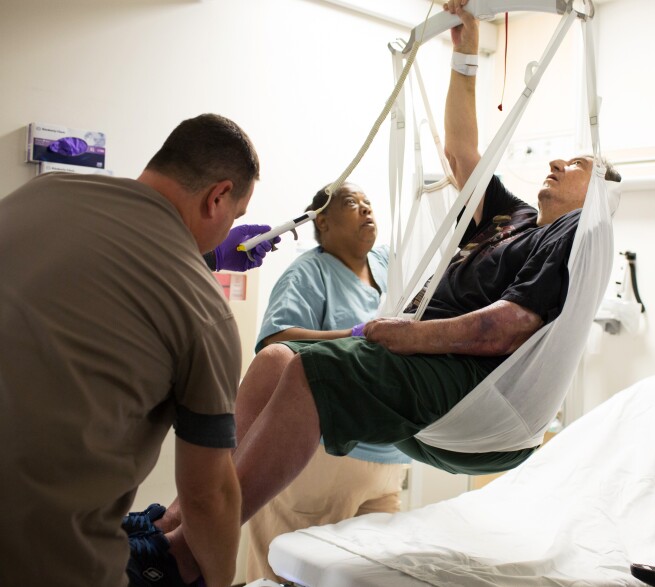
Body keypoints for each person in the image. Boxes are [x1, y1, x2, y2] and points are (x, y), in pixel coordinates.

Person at [129, 2, 620, 583]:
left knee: (317, 374)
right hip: (423, 382)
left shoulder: (576, 234)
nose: (559, 162)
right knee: (275, 361)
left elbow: (509, 325)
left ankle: (180, 562)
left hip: (476, 389)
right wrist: (465, 53)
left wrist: (412, 335)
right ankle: (172, 526)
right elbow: (464, 157)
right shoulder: (510, 220)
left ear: (603, 197)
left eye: (579, 163)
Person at [0, 113, 267, 587]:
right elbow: (207, 498)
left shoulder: (39, 194)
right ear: (218, 197)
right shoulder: (205, 312)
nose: (229, 231)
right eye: (234, 218)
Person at [246, 183, 410, 582]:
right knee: (289, 574)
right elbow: (276, 341)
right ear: (323, 220)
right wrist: (357, 334)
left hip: (388, 459)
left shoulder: (388, 266)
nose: (367, 210)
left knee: (369, 576)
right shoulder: (310, 271)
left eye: (369, 203)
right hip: (320, 459)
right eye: (353, 204)